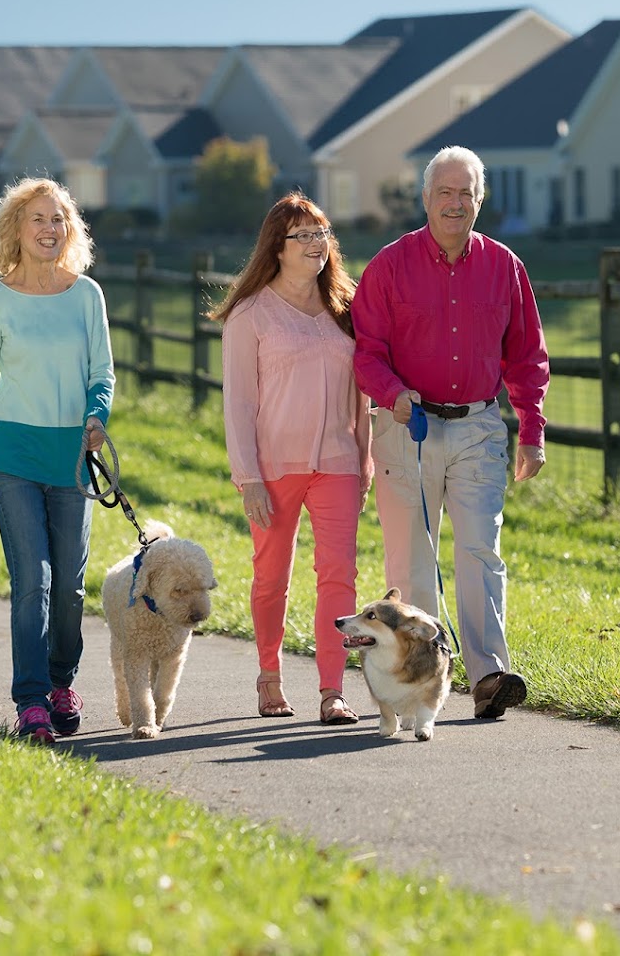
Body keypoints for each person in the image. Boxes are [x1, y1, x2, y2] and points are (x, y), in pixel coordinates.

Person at [351, 145, 549, 720]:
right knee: (412, 559)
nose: (456, 203)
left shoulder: (505, 267)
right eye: (445, 192)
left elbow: (527, 356)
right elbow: (367, 354)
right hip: (405, 424)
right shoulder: (390, 266)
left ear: (480, 201)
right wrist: (394, 393)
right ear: (426, 199)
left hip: (480, 426)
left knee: (480, 549)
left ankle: (488, 675)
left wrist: (531, 429)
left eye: (467, 194)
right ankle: (417, 682)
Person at [0, 177, 114, 744]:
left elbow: (102, 372)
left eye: (58, 219)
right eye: (38, 219)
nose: (50, 229)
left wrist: (98, 415)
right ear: (15, 230)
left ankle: (62, 681)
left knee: (69, 587)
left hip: (71, 457)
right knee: (32, 582)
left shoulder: (86, 295)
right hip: (13, 455)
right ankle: (31, 701)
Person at [211, 191, 372, 725]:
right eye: (301, 236)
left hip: (338, 462)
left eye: (321, 233)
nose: (314, 245)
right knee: (270, 577)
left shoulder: (346, 307)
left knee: (339, 576)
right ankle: (269, 677)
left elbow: (363, 392)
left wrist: (365, 458)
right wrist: (248, 477)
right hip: (272, 466)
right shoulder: (249, 314)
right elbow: (238, 403)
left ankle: (333, 691)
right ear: (276, 247)